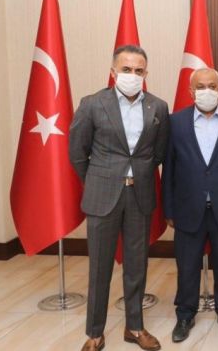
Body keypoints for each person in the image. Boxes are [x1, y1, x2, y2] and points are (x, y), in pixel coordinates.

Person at [69, 45, 169, 351]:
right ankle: (95, 333)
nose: (132, 75)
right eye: (126, 69)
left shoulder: (158, 107)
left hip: (139, 194)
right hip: (103, 196)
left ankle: (134, 328)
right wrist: (98, 181)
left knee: (137, 265)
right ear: (113, 72)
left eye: (139, 70)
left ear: (146, 74)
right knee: (99, 267)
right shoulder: (92, 104)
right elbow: (77, 153)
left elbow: (158, 153)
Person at [162, 68, 218, 342]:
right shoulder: (175, 122)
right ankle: (185, 315)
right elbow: (169, 168)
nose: (207, 91)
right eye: (200, 86)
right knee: (187, 266)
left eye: (212, 86)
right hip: (187, 208)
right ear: (191, 91)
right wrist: (168, 209)